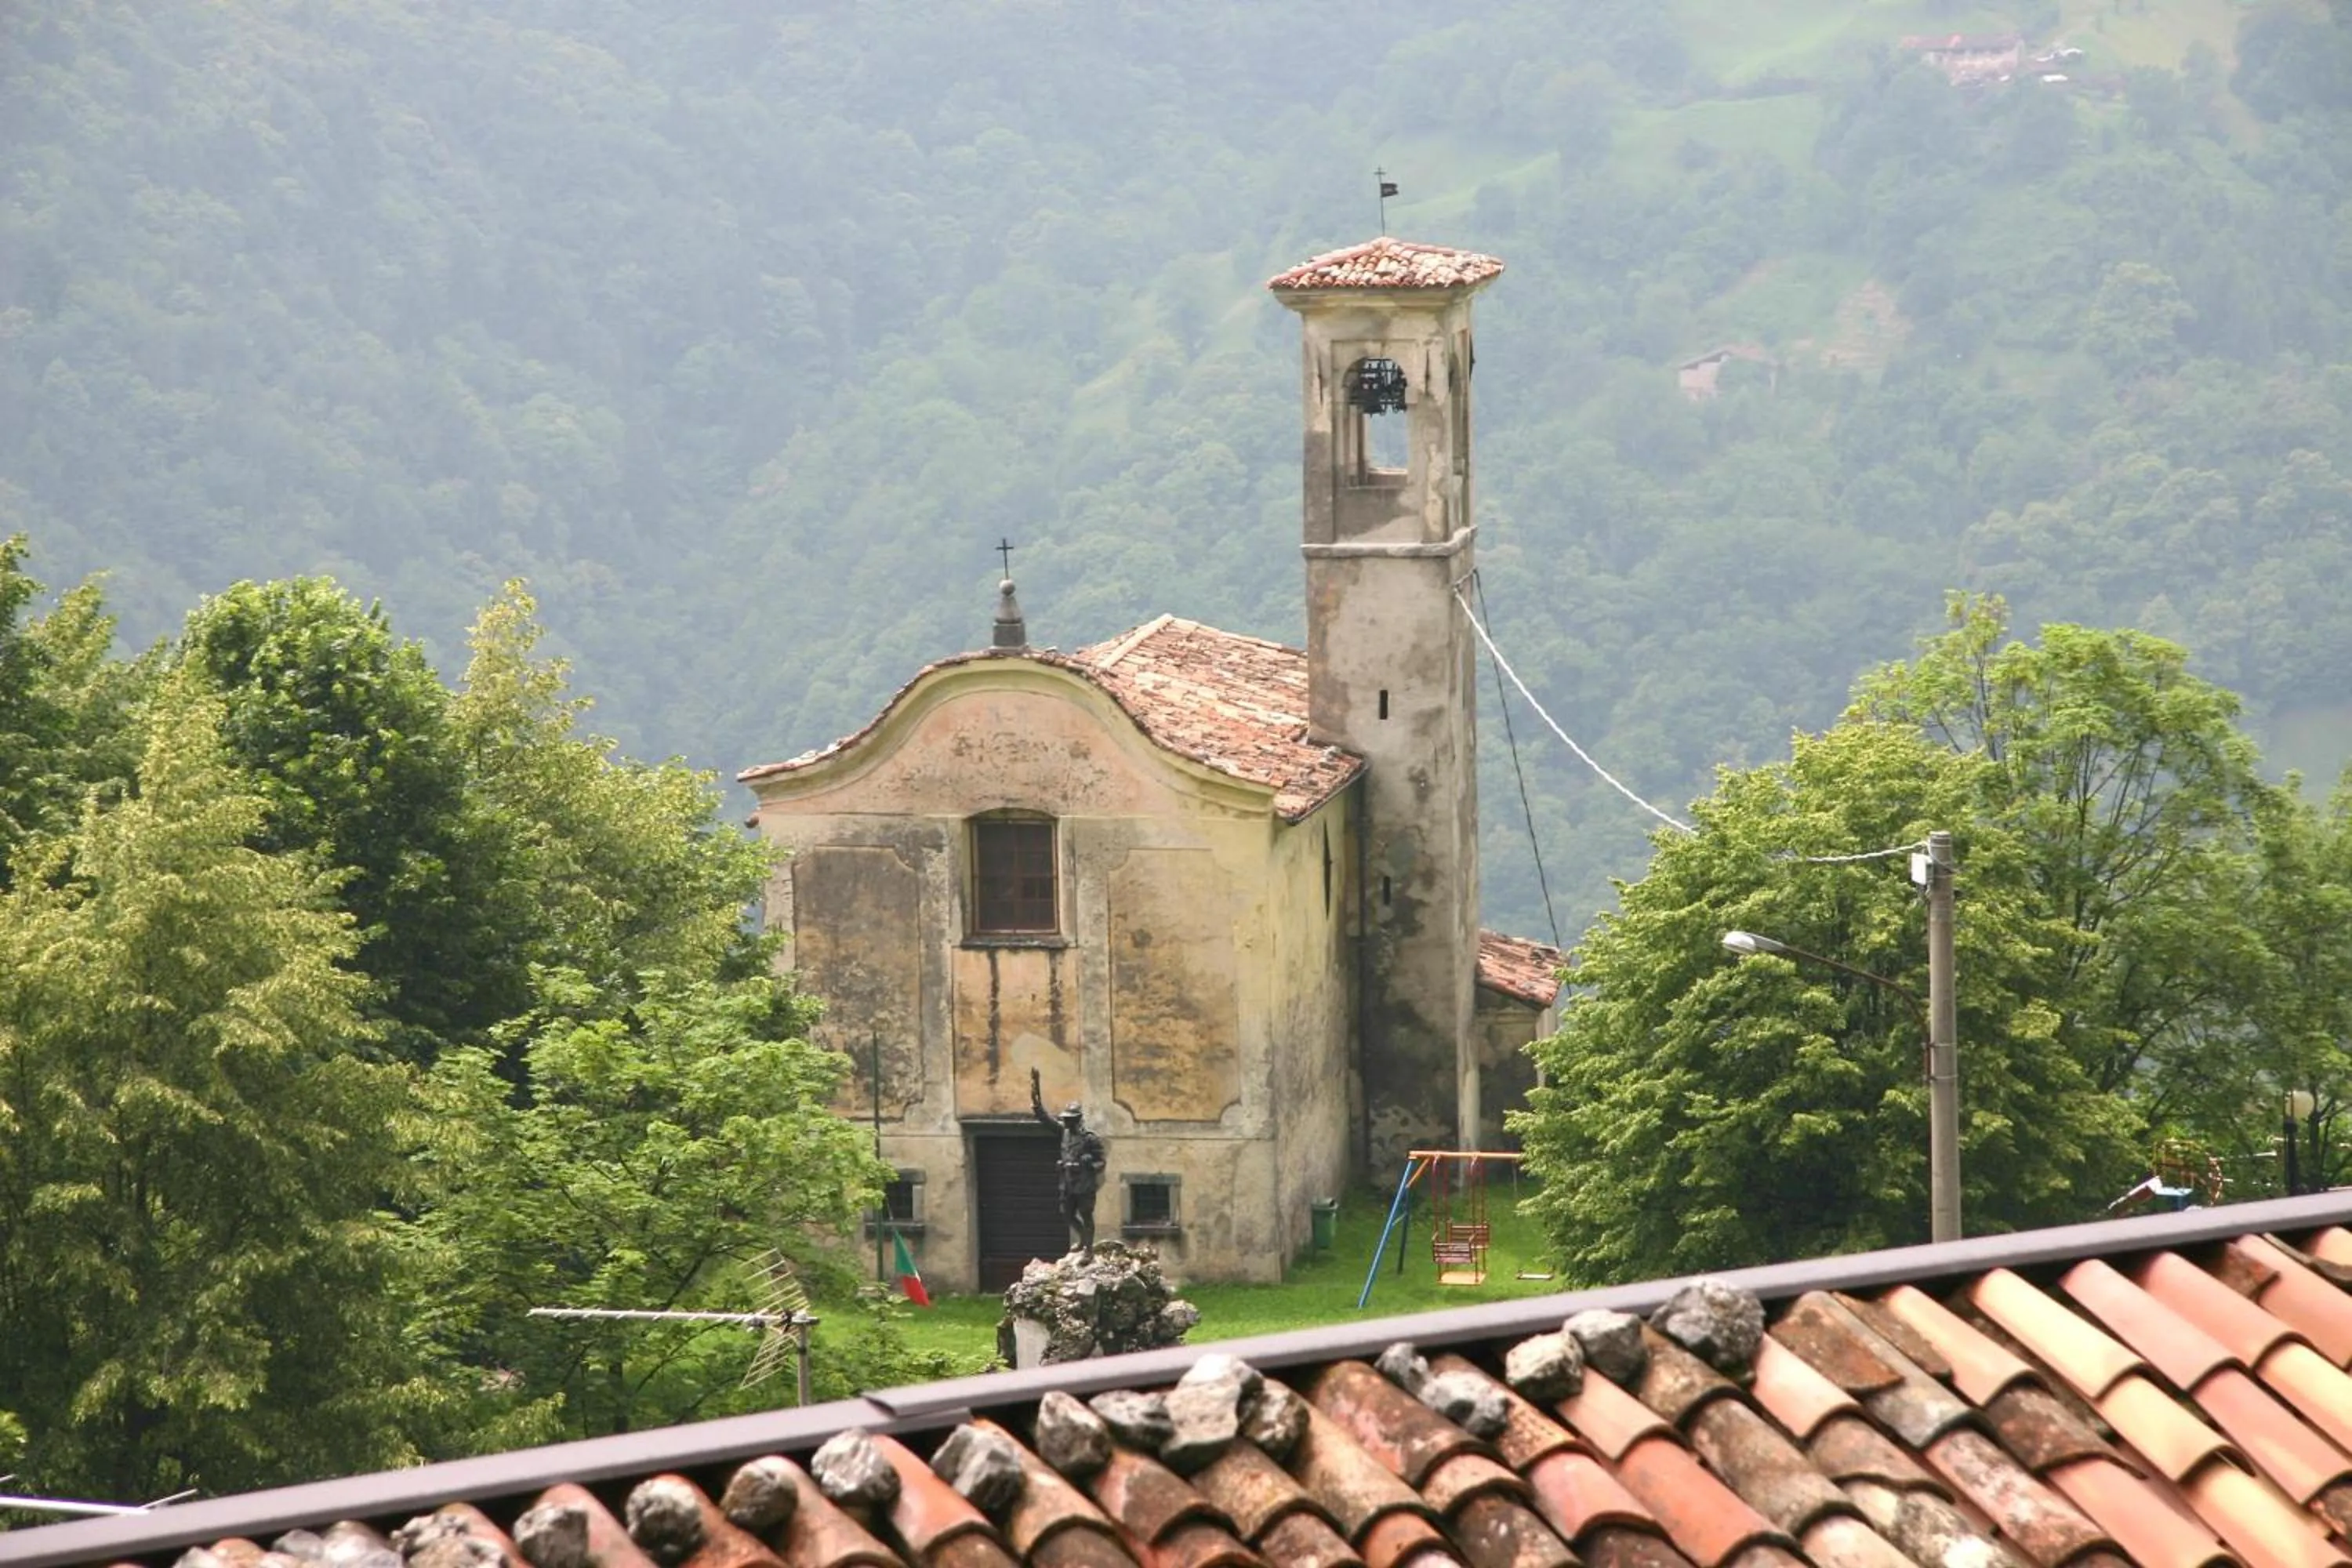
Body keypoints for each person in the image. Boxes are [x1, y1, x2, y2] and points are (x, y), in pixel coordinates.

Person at [1030, 1067, 1106, 1254]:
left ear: (1078, 1120)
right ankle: (1082, 1238)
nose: (1066, 1122)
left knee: (1086, 1215)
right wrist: (1036, 1100)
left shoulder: (1090, 1138)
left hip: (1084, 1183)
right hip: (1067, 1182)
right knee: (1067, 1214)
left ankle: (1089, 1249)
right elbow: (1045, 1119)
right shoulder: (1063, 1132)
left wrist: (1089, 1163)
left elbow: (1101, 1161)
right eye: (1066, 1119)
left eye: (1070, 1119)